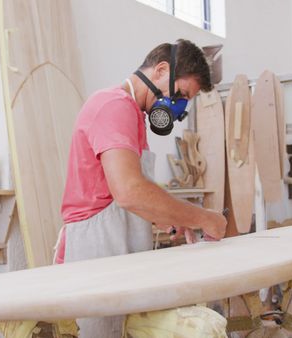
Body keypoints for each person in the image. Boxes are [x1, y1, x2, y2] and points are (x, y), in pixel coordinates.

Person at [55, 39, 227, 337]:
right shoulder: (113, 106)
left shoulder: (134, 114)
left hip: (113, 246)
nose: (180, 107)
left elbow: (127, 189)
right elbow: (129, 191)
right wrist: (202, 217)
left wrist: (169, 215)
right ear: (161, 70)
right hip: (95, 251)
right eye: (182, 94)